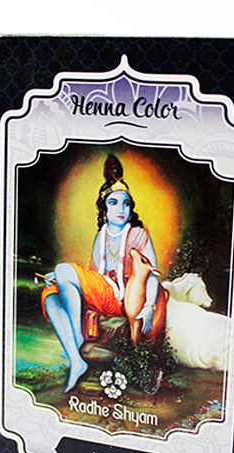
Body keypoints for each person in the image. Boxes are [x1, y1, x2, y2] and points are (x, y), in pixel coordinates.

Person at [42, 154, 161, 393]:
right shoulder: (101, 235)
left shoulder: (138, 234)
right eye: (113, 203)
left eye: (126, 203)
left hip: (124, 299)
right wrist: (61, 279)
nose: (121, 209)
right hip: (102, 293)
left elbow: (152, 275)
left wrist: (149, 305)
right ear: (104, 209)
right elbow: (92, 274)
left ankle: (77, 339)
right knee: (50, 295)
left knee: (63, 269)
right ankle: (76, 360)